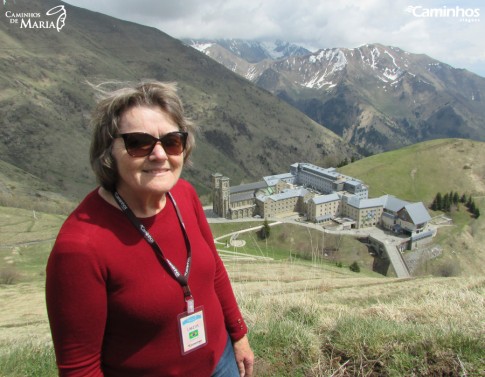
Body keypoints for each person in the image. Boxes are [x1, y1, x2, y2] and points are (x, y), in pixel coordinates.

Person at [46, 81, 254, 377]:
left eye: (171, 141)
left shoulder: (184, 194)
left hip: (220, 362)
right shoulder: (80, 247)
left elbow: (215, 271)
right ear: (109, 151)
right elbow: (80, 369)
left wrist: (239, 335)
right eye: (139, 143)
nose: (159, 154)